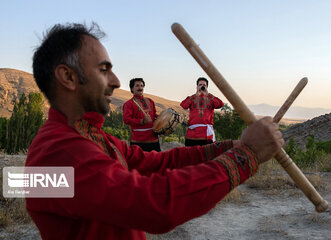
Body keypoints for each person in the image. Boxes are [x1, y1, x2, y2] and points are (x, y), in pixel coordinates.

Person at [26, 22, 284, 240]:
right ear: (68, 77)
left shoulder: (91, 136)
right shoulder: (56, 154)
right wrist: (246, 155)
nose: (116, 81)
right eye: (104, 70)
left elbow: (159, 162)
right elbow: (155, 206)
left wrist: (232, 146)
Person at [180, 77, 224, 146]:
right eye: (200, 85)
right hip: (192, 134)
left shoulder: (210, 98)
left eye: (204, 85)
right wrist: (195, 96)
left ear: (207, 87)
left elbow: (220, 104)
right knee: (191, 155)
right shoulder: (192, 98)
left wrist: (208, 95)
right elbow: (183, 105)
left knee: (207, 156)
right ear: (197, 86)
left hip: (206, 134)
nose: (202, 86)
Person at [123, 78, 160, 152]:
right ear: (132, 89)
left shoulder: (150, 101)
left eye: (142, 86)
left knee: (156, 162)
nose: (140, 88)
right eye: (137, 86)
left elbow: (154, 115)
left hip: (154, 140)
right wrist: (142, 121)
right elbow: (126, 119)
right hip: (138, 141)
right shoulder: (128, 104)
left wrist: (162, 118)